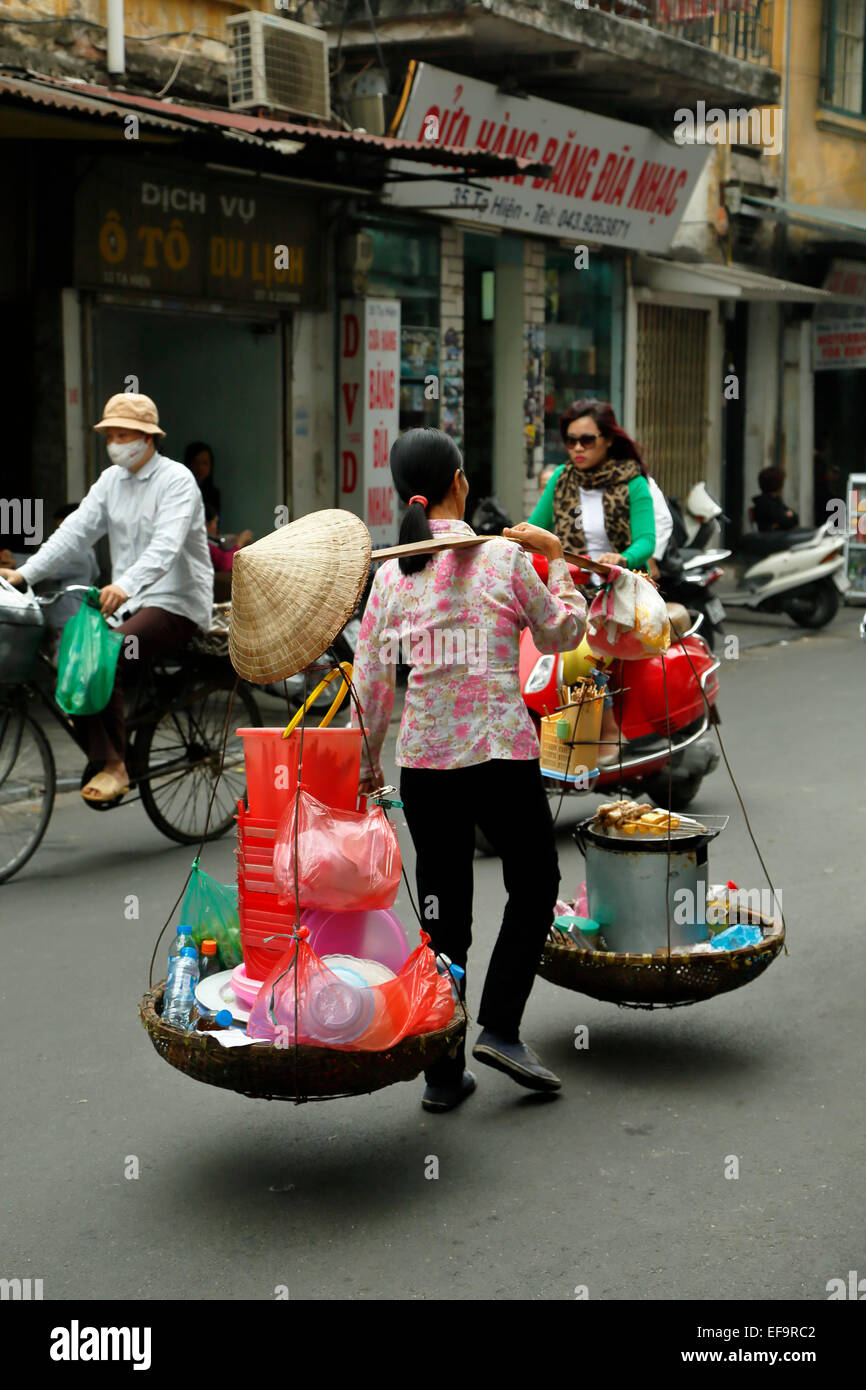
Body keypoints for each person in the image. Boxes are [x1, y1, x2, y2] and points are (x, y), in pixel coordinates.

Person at [351, 427, 586, 1112]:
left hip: (426, 765)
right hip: (500, 755)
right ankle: (502, 1028)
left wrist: (368, 768)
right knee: (536, 881)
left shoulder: (391, 577)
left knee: (441, 916)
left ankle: (443, 1073)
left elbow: (372, 685)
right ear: (460, 481)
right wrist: (559, 562)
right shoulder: (507, 559)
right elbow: (562, 634)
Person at [0, 394, 213, 802]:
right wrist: (25, 574)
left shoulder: (177, 481)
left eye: (123, 434)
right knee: (72, 657)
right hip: (127, 603)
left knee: (106, 655)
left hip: (175, 602)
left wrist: (126, 584)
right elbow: (74, 533)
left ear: (148, 438)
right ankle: (115, 750)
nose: (115, 442)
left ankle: (115, 766)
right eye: (110, 435)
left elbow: (166, 547)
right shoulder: (111, 482)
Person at [528, 399, 656, 764]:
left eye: (586, 440)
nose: (578, 449)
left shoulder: (633, 483)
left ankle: (609, 727)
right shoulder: (560, 478)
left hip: (618, 587)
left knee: (587, 653)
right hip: (568, 585)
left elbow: (647, 540)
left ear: (607, 440)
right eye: (570, 441)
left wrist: (622, 559)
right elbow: (537, 528)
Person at [753, 467, 799, 532]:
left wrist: (786, 517)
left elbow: (795, 518)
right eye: (782, 482)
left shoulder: (776, 500)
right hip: (772, 538)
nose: (783, 485)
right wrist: (787, 515)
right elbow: (786, 522)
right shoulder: (765, 502)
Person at [185, 440, 221, 515]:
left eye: (205, 463)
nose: (200, 468)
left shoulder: (214, 494)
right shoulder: (182, 490)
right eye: (196, 462)